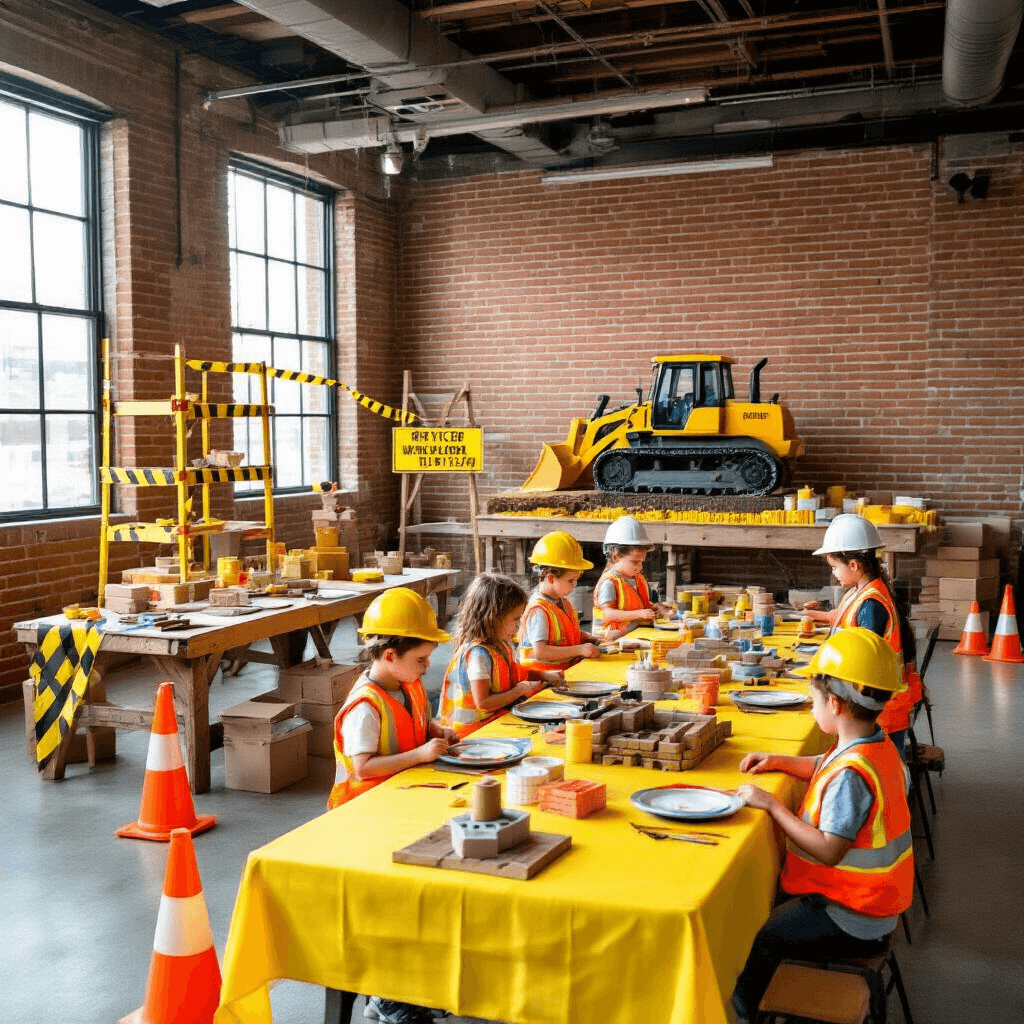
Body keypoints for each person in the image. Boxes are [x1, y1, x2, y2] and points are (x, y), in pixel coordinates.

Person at [731, 628, 914, 1024]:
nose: (812, 709)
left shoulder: (852, 774)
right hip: (875, 905)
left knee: (765, 935)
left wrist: (773, 807)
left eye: (814, 701)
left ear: (835, 704)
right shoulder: (875, 747)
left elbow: (830, 849)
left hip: (853, 916)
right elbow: (823, 765)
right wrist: (780, 760)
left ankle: (744, 1011)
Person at [801, 513, 920, 757]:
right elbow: (842, 617)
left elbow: (861, 659)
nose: (834, 573)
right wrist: (812, 616)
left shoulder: (872, 604)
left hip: (878, 709)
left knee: (881, 768)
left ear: (854, 564)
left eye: (835, 567)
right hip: (875, 703)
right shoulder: (861, 591)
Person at [328, 587, 457, 812]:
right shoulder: (365, 707)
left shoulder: (409, 684)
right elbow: (362, 768)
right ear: (389, 655)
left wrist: (434, 730)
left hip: (401, 792)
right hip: (366, 809)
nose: (427, 667)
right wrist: (420, 755)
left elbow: (408, 726)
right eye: (421, 659)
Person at [439, 573, 563, 737]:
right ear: (494, 618)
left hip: (492, 722)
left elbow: (515, 671)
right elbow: (483, 702)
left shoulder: (502, 644)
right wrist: (518, 692)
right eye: (515, 619)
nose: (519, 625)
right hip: (472, 733)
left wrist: (544, 675)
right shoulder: (478, 655)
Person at [519, 530, 612, 673]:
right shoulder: (538, 610)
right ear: (550, 578)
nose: (575, 585)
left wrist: (592, 639)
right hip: (541, 682)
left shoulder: (562, 602)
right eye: (571, 580)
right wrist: (580, 649)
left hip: (564, 674)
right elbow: (541, 651)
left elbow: (567, 635)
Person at [592, 515, 672, 633]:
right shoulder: (609, 582)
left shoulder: (637, 578)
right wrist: (639, 614)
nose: (639, 566)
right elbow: (608, 614)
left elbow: (644, 604)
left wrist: (660, 609)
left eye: (641, 562)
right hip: (611, 640)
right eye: (635, 562)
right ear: (616, 555)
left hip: (632, 634)